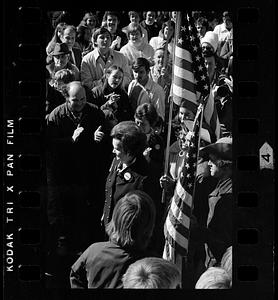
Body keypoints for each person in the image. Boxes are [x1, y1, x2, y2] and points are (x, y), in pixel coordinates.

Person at [46, 81, 107, 257]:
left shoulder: (95, 112)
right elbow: (49, 146)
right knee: (65, 211)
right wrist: (70, 140)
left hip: (87, 171)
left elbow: (104, 139)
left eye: (82, 99)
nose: (79, 103)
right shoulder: (56, 116)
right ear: (67, 99)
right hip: (64, 172)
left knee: (85, 210)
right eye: (75, 100)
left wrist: (99, 138)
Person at [70, 190, 156, 288]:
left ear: (115, 220)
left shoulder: (93, 251)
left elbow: (75, 276)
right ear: (148, 227)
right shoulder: (152, 266)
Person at [195, 137, 233, 267]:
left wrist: (197, 230)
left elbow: (223, 239)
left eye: (212, 160)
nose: (208, 164)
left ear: (224, 163)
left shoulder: (228, 198)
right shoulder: (221, 185)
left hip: (221, 263)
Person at [81, 27, 131, 92]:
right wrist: (106, 82)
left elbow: (127, 78)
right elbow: (86, 83)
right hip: (96, 97)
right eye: (102, 37)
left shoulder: (121, 57)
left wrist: (115, 83)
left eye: (108, 37)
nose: (105, 40)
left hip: (118, 94)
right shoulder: (87, 60)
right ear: (95, 41)